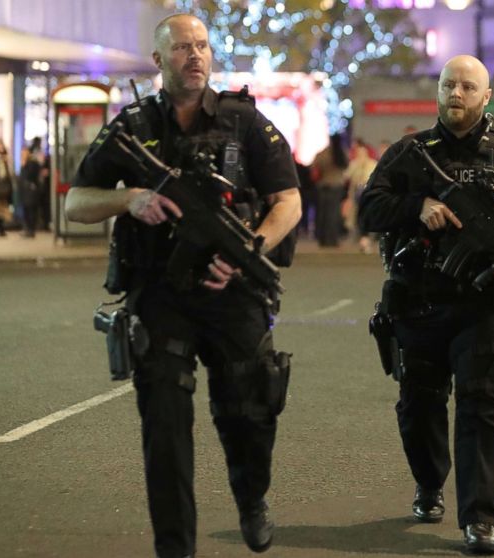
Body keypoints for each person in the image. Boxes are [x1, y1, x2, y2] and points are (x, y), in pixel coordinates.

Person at [65, 13, 301, 558]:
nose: (194, 56)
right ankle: (176, 548)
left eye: (201, 47)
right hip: (161, 294)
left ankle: (251, 497)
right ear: (158, 60)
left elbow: (288, 201)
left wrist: (250, 254)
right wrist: (129, 200)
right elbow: (76, 201)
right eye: (181, 48)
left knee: (249, 413)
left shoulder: (246, 120)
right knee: (165, 432)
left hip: (234, 292)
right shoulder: (132, 127)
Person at [358, 54, 494, 555]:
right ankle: (430, 484)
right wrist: (416, 207)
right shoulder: (410, 153)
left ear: (485, 96)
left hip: (485, 303)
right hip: (419, 300)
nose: (456, 94)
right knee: (419, 406)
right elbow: (368, 207)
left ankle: (480, 517)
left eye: (468, 87)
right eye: (449, 85)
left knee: (480, 403)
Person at [311, 133, 348, 247]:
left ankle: (323, 239)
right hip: (336, 187)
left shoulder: (324, 153)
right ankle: (333, 239)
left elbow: (314, 165)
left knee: (323, 213)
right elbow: (346, 167)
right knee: (334, 214)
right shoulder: (341, 153)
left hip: (323, 186)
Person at [344, 137, 378, 252]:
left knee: (367, 216)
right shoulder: (354, 164)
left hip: (368, 194)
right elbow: (347, 176)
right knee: (357, 217)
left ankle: (366, 239)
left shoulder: (372, 164)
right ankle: (362, 239)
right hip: (357, 195)